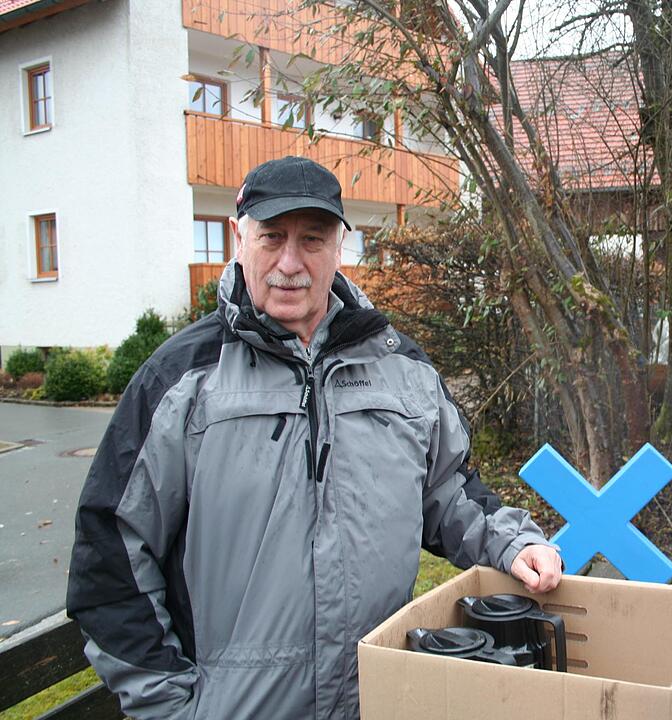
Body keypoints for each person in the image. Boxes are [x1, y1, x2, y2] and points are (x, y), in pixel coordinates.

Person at [66, 156, 563, 720]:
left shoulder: (401, 368)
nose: (290, 263)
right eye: (272, 237)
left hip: (378, 698)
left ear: (340, 247)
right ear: (239, 239)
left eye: (312, 239)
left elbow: (447, 491)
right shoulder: (180, 382)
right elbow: (111, 553)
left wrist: (512, 543)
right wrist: (173, 708)